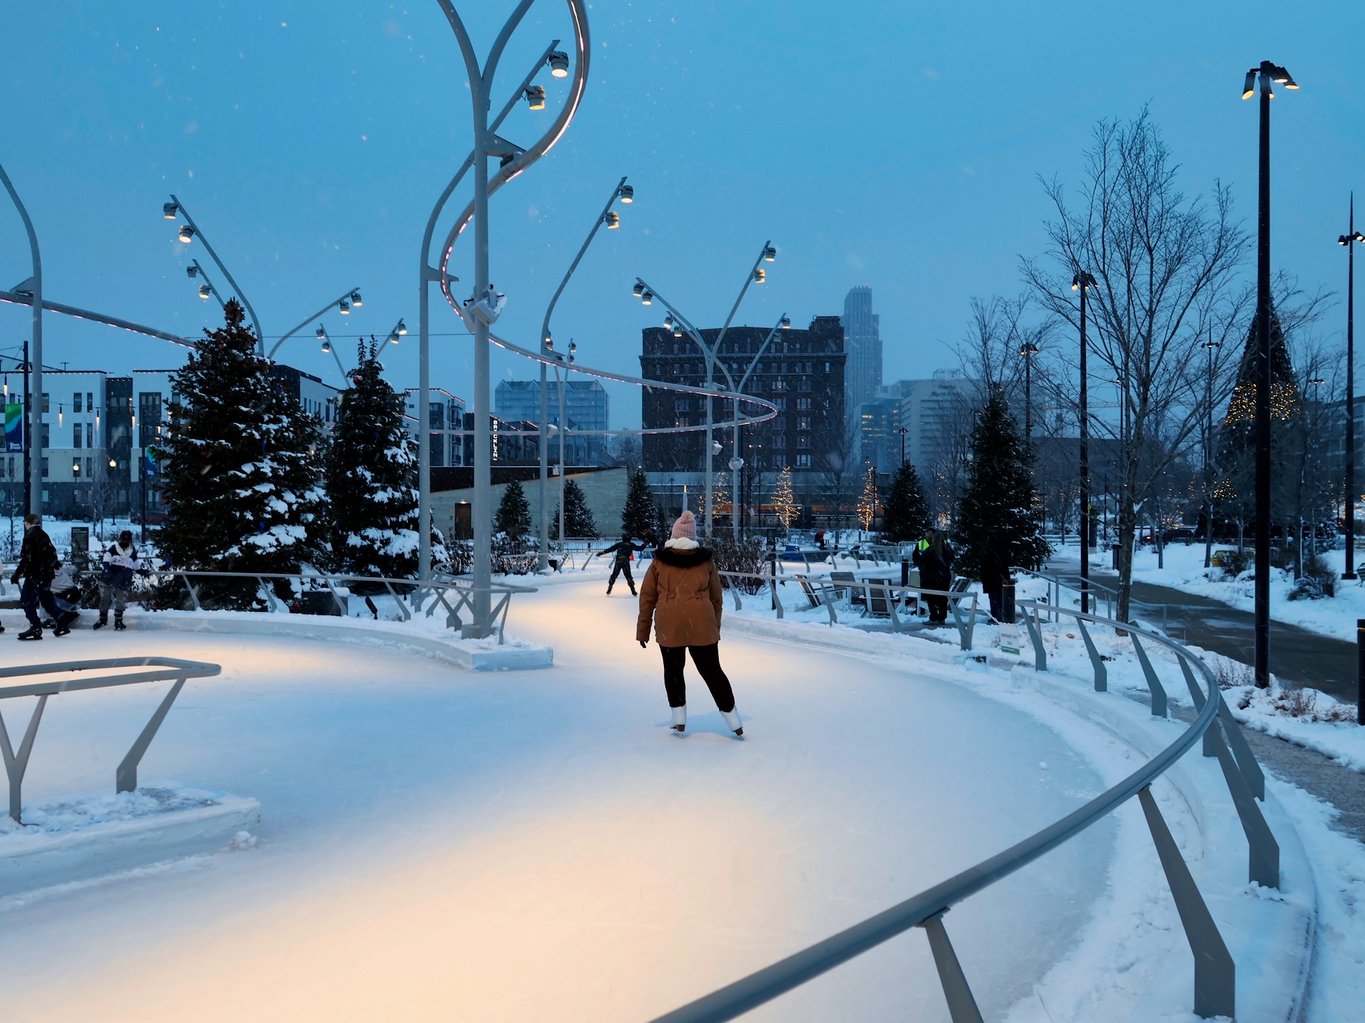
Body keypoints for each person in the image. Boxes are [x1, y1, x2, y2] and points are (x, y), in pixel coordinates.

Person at [636, 510, 744, 738]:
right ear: (693, 537)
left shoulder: (659, 562)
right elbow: (716, 597)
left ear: (673, 536)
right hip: (701, 624)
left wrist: (643, 630)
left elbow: (647, 597)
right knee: (712, 671)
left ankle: (679, 720)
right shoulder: (705, 562)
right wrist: (713, 626)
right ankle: (734, 720)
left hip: (669, 624)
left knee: (673, 670)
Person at [13, 513, 65, 640]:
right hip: (46, 575)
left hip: (35, 576)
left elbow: (27, 559)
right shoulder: (44, 535)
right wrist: (52, 564)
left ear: (27, 523)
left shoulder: (30, 536)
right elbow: (52, 553)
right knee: (46, 600)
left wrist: (17, 573)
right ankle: (62, 624)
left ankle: (35, 627)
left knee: (27, 600)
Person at [96, 530, 139, 631]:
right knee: (105, 599)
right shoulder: (113, 549)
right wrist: (107, 570)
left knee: (120, 600)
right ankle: (103, 619)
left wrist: (143, 571)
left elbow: (136, 565)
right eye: (123, 539)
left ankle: (118, 620)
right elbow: (106, 560)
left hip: (123, 580)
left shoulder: (132, 552)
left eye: (127, 540)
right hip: (109, 578)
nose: (125, 542)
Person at [912, 529, 955, 624]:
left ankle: (934, 617)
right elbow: (951, 559)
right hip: (944, 577)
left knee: (930, 597)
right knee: (943, 597)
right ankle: (942, 617)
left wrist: (921, 567)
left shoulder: (930, 551)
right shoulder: (947, 550)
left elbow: (921, 561)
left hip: (931, 578)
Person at [978, 534, 1011, 623]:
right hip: (1000, 579)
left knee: (994, 599)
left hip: (992, 580)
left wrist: (984, 579)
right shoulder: (1002, 551)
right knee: (1000, 598)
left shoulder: (989, 552)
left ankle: (995, 616)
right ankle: (1001, 615)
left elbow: (984, 567)